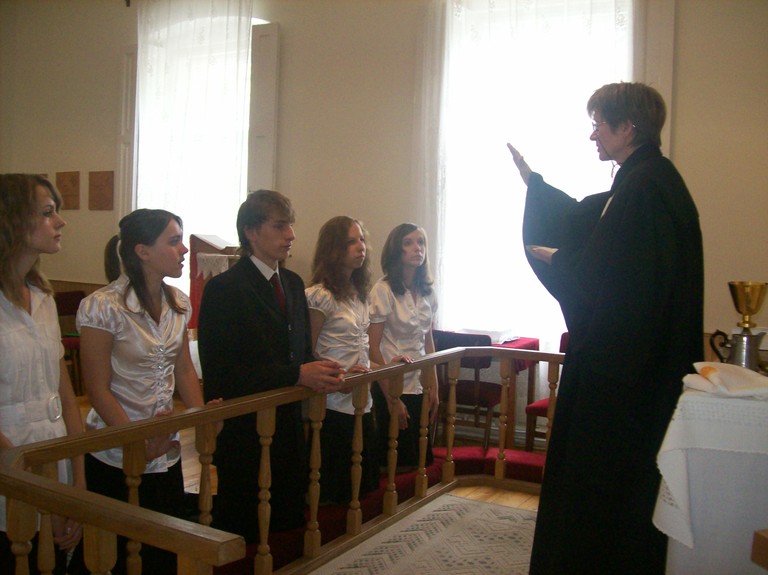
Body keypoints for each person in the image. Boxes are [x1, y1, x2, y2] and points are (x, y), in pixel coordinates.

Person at [507, 82, 703, 574]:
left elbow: (618, 281)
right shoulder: (645, 180)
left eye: (598, 124)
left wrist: (561, 261)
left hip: (623, 379)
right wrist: (536, 187)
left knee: (601, 490)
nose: (592, 134)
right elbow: (592, 223)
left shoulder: (645, 189)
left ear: (627, 127)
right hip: (635, 370)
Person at [197, 190, 345, 541]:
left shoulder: (292, 283)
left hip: (288, 423)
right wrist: (298, 373)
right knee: (249, 528)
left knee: (287, 523)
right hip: (245, 429)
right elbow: (222, 373)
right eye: (280, 226)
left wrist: (325, 368)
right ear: (251, 232)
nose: (291, 235)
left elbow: (299, 352)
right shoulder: (224, 289)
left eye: (290, 226)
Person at [77, 209, 210, 574]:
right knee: (117, 554)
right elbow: (97, 388)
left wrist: (203, 417)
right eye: (174, 241)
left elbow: (183, 368)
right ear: (143, 251)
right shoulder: (103, 306)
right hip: (117, 446)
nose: (184, 249)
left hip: (164, 446)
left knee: (161, 550)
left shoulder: (178, 302)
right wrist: (136, 440)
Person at [0, 174, 85, 574]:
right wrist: (38, 491)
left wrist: (77, 486)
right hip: (12, 465)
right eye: (48, 212)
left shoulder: (44, 300)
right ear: (13, 220)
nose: (60, 221)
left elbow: (65, 395)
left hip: (53, 455)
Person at [305, 216, 382, 504]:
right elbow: (308, 351)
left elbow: (362, 349)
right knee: (334, 492)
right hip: (333, 400)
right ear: (334, 249)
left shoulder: (360, 296)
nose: (360, 247)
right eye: (351, 241)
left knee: (362, 488)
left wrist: (386, 366)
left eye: (361, 239)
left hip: (360, 397)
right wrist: (340, 376)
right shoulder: (319, 296)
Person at [368, 223, 439, 471]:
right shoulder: (383, 289)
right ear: (396, 250)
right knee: (394, 462)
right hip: (392, 380)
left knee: (419, 459)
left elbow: (428, 340)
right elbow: (372, 348)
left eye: (421, 242)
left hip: (420, 380)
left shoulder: (427, 291)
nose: (417, 248)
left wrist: (434, 386)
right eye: (408, 243)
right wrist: (391, 396)